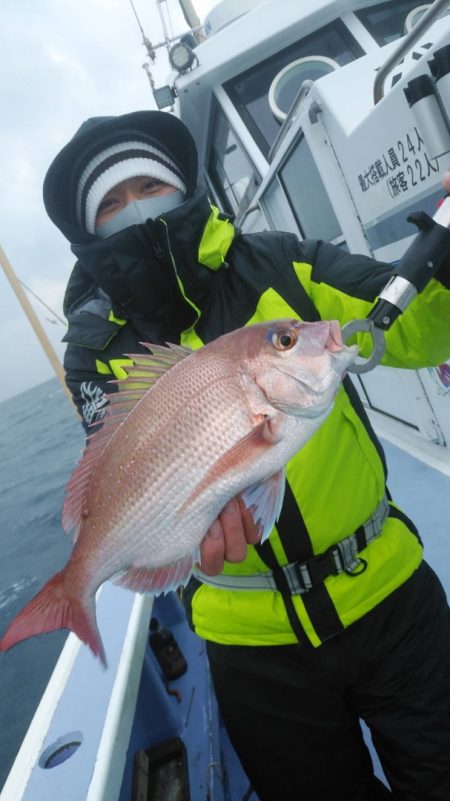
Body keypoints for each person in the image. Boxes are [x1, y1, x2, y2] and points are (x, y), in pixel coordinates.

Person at [43, 109, 450, 801]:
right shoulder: (95, 345)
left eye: (147, 183)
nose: (135, 207)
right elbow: (116, 462)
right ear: (88, 229)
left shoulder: (280, 261)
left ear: (182, 185)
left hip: (388, 591)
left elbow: (417, 332)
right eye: (110, 201)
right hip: (247, 642)